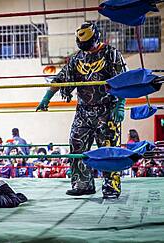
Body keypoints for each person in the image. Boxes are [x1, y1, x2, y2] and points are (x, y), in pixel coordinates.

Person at [36, 22, 127, 198]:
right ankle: (82, 184)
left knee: (108, 149)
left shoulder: (111, 54)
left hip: (107, 110)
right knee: (76, 144)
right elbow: (61, 78)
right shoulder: (78, 58)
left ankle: (111, 186)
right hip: (83, 111)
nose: (87, 49)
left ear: (96, 38)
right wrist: (46, 98)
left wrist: (120, 104)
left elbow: (123, 80)